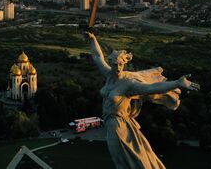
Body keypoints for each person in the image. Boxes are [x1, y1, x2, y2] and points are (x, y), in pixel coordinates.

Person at [86, 31, 200, 169]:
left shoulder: (128, 83)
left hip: (118, 125)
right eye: (115, 64)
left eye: (120, 64)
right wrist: (92, 39)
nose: (117, 68)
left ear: (124, 63)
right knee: (120, 160)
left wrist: (176, 83)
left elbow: (152, 88)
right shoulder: (109, 75)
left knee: (122, 160)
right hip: (110, 123)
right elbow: (98, 57)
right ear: (111, 63)